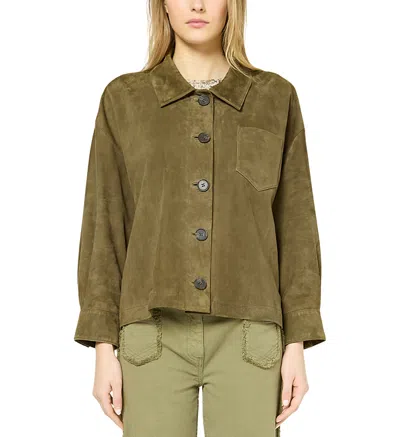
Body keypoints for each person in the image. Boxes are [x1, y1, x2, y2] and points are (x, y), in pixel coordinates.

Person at [73, 1, 326, 436]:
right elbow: (104, 224)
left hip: (250, 332)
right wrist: (102, 345)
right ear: (162, 6)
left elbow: (296, 225)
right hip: (151, 332)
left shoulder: (274, 97)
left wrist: (296, 342)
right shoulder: (125, 99)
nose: (197, 4)